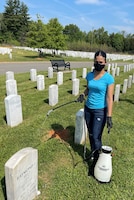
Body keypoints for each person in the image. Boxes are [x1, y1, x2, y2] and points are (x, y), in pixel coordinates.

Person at [77, 50, 114, 162]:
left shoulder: (108, 78)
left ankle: (97, 161)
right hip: (88, 109)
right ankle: (94, 154)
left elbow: (109, 98)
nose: (98, 64)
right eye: (96, 61)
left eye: (101, 62)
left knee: (97, 136)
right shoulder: (89, 75)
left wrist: (109, 116)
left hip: (100, 111)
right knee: (91, 134)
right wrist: (83, 94)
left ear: (105, 62)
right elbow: (89, 88)